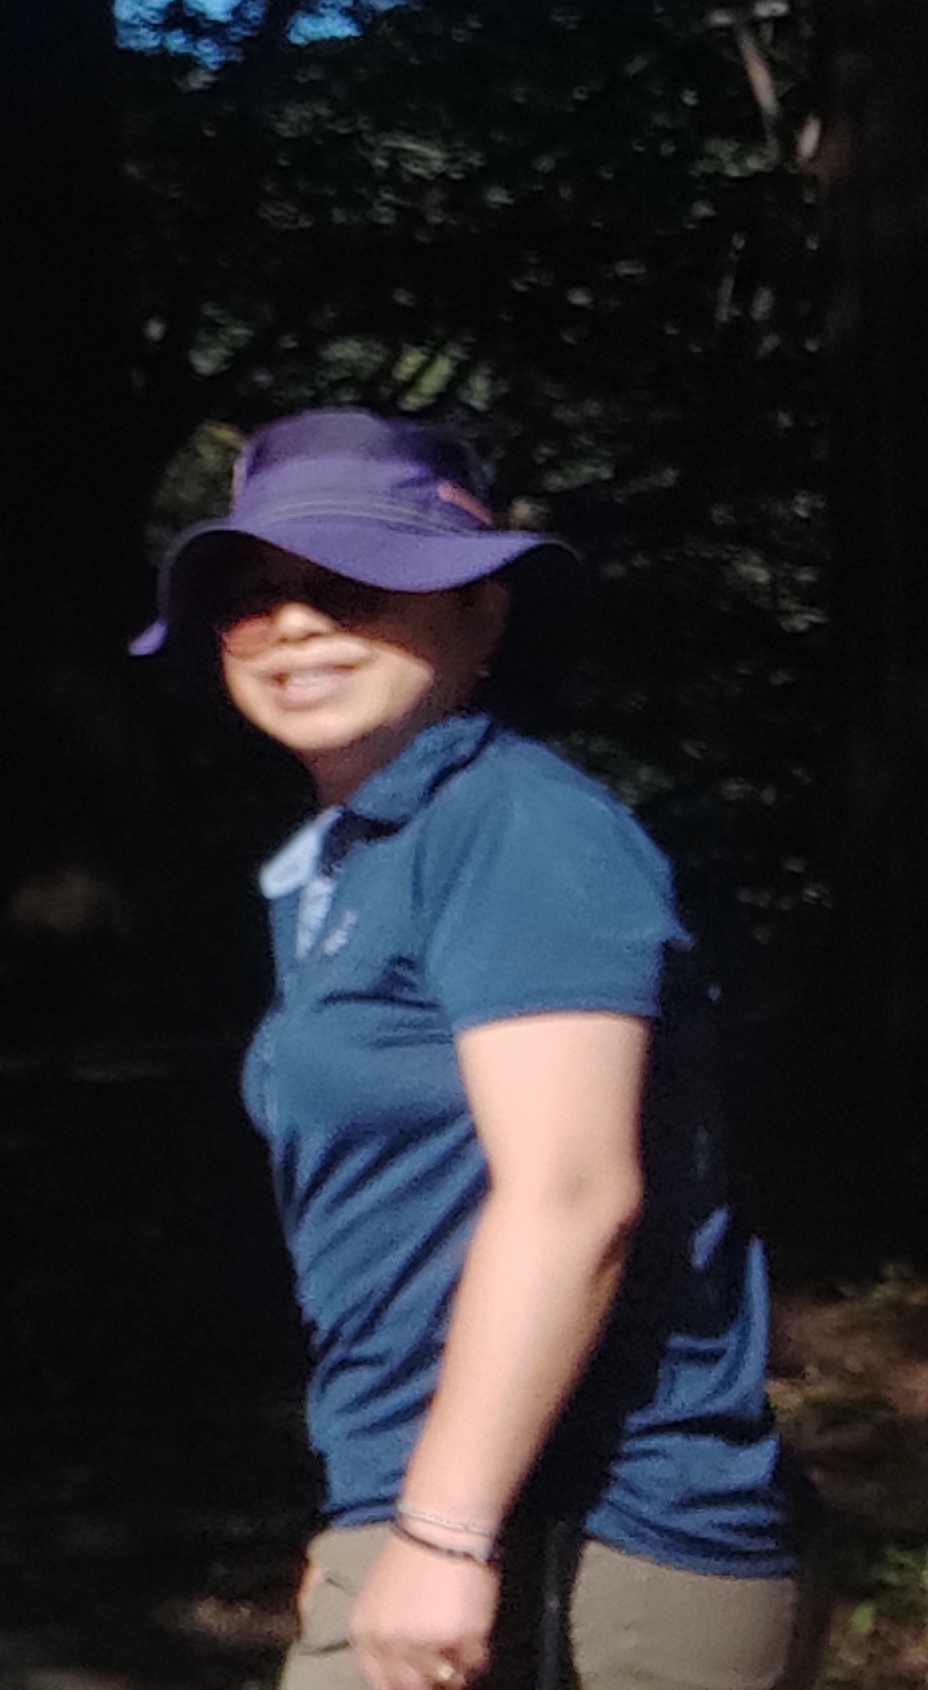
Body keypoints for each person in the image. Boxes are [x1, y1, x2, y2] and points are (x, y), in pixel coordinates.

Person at [136, 412, 795, 1690]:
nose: (294, 625)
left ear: (482, 612)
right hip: (449, 1512)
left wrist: (440, 1530)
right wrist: (374, 1519)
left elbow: (573, 1196)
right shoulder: (356, 859)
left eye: (350, 587)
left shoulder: (519, 827)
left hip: (597, 1542)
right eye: (252, 599)